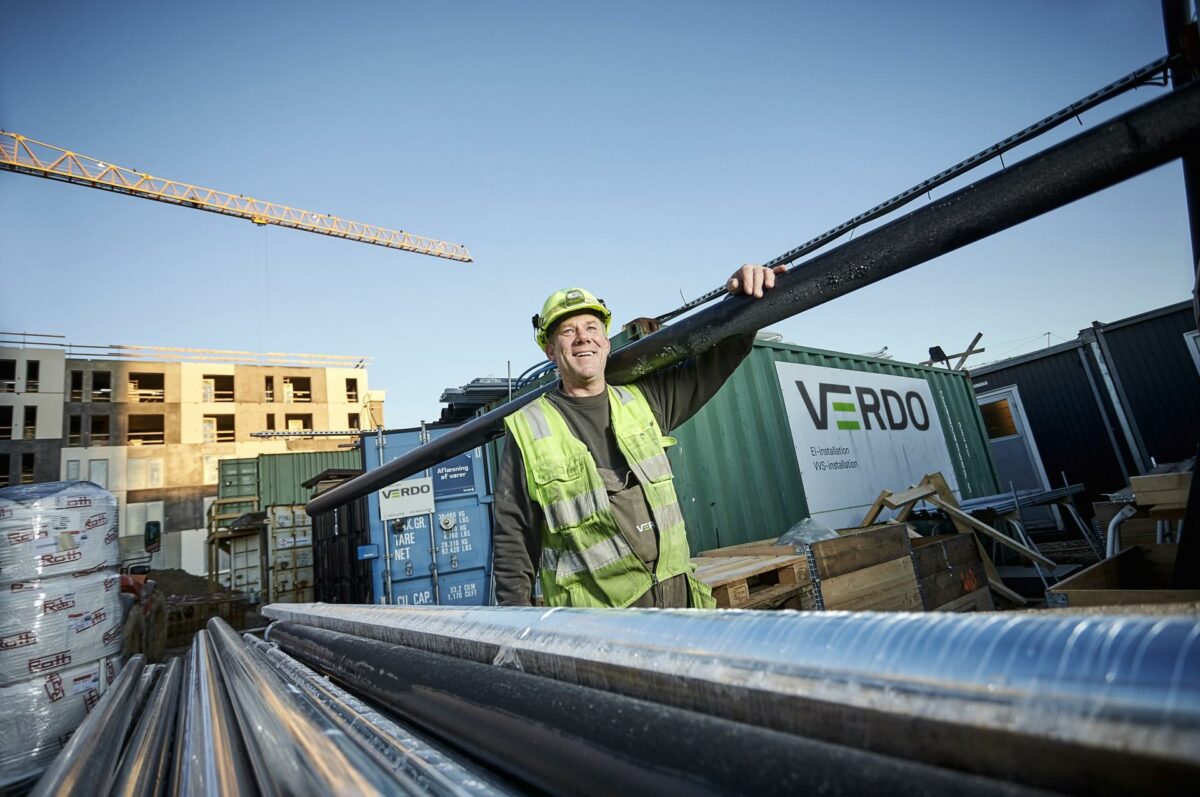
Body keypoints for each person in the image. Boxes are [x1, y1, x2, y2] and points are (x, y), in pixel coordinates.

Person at [493, 264, 785, 608]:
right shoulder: (531, 429)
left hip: (680, 609)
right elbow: (513, 538)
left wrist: (745, 296)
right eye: (568, 331)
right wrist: (519, 627)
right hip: (599, 630)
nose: (583, 337)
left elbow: (723, 353)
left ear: (604, 339)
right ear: (550, 351)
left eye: (591, 327)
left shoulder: (645, 401)